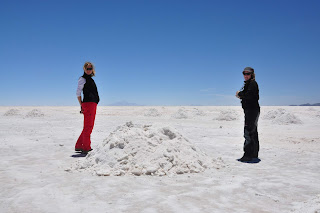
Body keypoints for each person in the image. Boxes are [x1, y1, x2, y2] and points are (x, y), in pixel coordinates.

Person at [236, 67, 260, 162]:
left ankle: (248, 155)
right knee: (253, 132)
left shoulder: (252, 84)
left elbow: (250, 96)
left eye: (248, 74)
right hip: (251, 111)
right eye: (244, 74)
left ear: (252, 75)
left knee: (248, 132)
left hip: (251, 111)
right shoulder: (249, 84)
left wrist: (240, 94)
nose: (245, 76)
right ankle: (254, 154)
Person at [75, 62, 100, 154]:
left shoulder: (91, 79)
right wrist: (81, 104)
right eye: (87, 69)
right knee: (88, 127)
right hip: (88, 104)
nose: (89, 71)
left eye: (90, 69)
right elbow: (78, 93)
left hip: (92, 104)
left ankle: (78, 145)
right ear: (84, 69)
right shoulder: (82, 79)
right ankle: (86, 147)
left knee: (88, 126)